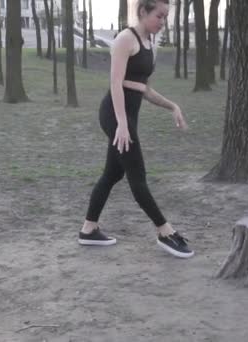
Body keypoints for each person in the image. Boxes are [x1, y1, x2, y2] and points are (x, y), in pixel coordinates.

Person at [79, 0, 193, 258]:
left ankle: (88, 229)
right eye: (159, 16)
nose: (163, 22)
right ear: (143, 11)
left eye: (166, 17)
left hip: (127, 117)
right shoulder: (125, 39)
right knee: (137, 175)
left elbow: (144, 89)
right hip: (114, 115)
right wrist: (121, 124)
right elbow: (116, 84)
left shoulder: (149, 44)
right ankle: (165, 231)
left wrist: (172, 106)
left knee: (112, 174)